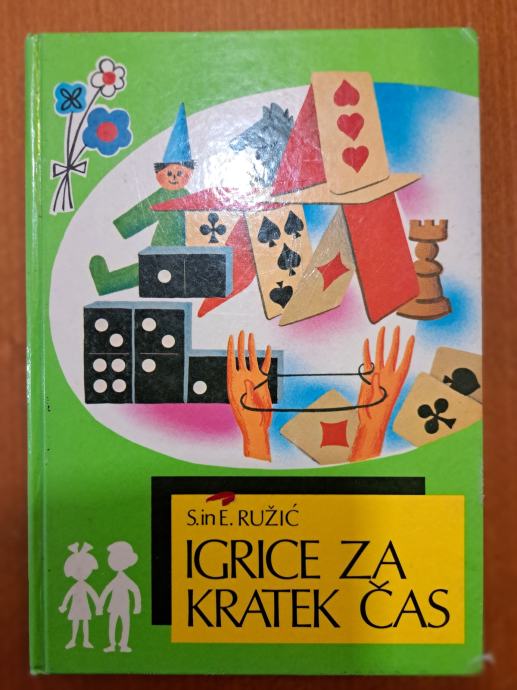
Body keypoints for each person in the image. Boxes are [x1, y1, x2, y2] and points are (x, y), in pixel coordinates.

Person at [89, 103, 194, 295]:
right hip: (168, 251)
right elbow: (143, 213)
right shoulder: (168, 195)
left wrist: (123, 227)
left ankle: (108, 283)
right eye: (169, 172)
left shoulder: (179, 196)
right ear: (159, 174)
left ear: (189, 174)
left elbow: (141, 215)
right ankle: (108, 283)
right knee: (149, 270)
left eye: (179, 173)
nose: (173, 177)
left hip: (171, 251)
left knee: (149, 270)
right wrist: (121, 228)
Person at [97, 541, 141, 653]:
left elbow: (135, 590)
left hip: (124, 607)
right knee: (113, 625)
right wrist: (100, 607)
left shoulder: (125, 580)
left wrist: (137, 607)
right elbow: (106, 592)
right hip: (114, 607)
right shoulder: (115, 580)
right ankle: (112, 644)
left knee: (124, 625)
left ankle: (123, 645)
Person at [58, 543, 99, 649]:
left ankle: (86, 641)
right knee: (75, 622)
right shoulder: (75, 586)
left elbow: (93, 594)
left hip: (84, 607)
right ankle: (73, 640)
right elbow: (68, 595)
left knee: (85, 622)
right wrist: (64, 605)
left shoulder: (86, 586)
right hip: (75, 607)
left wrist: (98, 606)